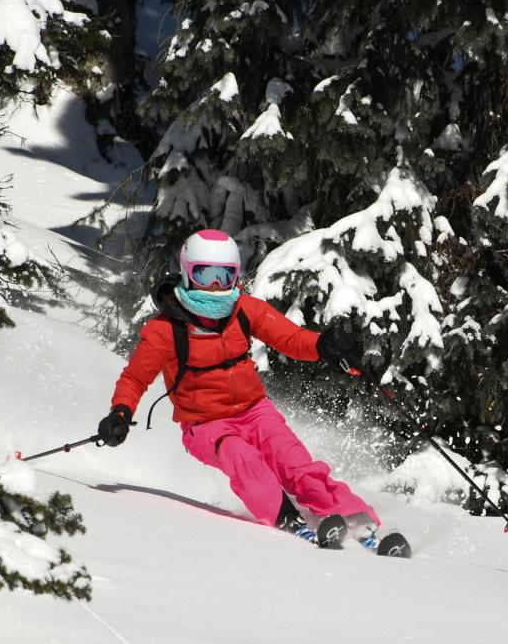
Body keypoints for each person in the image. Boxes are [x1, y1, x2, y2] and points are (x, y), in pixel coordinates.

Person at [97, 229, 380, 542]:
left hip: (256, 411)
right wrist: (120, 412)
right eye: (206, 275)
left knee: (294, 463)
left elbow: (290, 338)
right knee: (244, 460)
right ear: (188, 273)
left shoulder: (244, 310)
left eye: (225, 275)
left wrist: (323, 347)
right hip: (205, 425)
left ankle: (353, 517)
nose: (216, 286)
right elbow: (136, 377)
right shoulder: (165, 330)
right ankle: (286, 518)